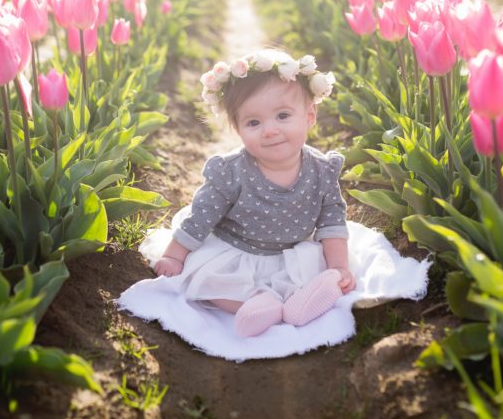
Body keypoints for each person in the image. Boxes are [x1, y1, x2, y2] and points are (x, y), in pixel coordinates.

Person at [145, 48, 353, 337]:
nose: (269, 130)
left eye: (282, 116)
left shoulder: (322, 170)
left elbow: (332, 221)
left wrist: (340, 266)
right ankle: (257, 302)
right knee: (205, 278)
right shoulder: (230, 172)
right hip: (236, 250)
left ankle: (302, 302)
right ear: (238, 129)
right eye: (253, 122)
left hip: (291, 253)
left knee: (316, 270)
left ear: (309, 116)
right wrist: (174, 256)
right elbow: (201, 216)